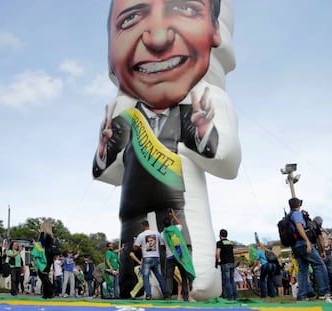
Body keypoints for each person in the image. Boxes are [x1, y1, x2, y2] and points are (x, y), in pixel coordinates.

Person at [93, 0, 241, 298]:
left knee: (189, 266)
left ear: (215, 31)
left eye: (184, 9)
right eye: (131, 17)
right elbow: (105, 170)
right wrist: (106, 146)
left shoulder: (204, 101)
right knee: (133, 277)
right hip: (132, 209)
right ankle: (137, 288)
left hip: (180, 205)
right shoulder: (124, 116)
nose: (157, 38)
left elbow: (226, 159)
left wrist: (203, 133)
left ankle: (188, 286)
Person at [288, 198, 332, 303]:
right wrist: (307, 241)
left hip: (295, 247)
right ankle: (323, 292)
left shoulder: (288, 216)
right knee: (319, 264)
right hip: (303, 244)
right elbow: (299, 226)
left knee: (302, 271)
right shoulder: (297, 214)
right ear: (298, 204)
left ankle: (302, 296)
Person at [162, 209, 195, 301]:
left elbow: (163, 247)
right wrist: (173, 216)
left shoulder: (162, 234)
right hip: (180, 257)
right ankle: (186, 296)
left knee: (169, 277)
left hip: (170, 257)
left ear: (163, 225)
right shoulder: (177, 229)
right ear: (170, 223)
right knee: (184, 276)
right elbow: (179, 223)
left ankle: (168, 296)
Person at [133, 220, 167, 300]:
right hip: (156, 257)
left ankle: (148, 295)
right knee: (160, 276)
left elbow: (135, 248)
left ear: (143, 226)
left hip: (147, 258)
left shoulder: (141, 235)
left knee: (145, 277)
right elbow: (162, 243)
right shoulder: (156, 233)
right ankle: (166, 294)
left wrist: (135, 243)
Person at [216, 229, 237, 300]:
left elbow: (217, 252)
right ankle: (234, 296)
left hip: (225, 263)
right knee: (232, 280)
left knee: (226, 281)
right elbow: (232, 253)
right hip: (232, 262)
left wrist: (218, 260)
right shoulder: (230, 243)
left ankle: (229, 296)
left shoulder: (219, 243)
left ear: (220, 235)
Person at [37, 220, 55, 299]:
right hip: (49, 257)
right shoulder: (51, 236)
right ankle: (46, 294)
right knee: (45, 275)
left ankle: (51, 289)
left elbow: (40, 246)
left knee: (42, 274)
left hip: (44, 256)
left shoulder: (42, 234)